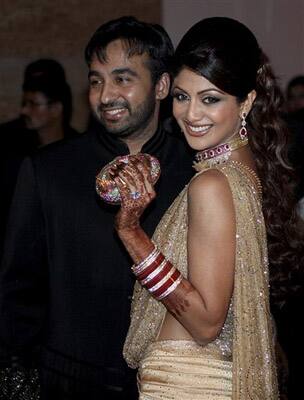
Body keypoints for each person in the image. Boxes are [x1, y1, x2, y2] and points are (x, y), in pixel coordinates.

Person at [0, 16, 194, 399]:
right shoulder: (48, 170)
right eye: (95, 80)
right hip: (66, 382)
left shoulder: (195, 175)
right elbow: (17, 291)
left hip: (169, 382)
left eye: (123, 78)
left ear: (162, 85)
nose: (105, 95)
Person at [109, 17, 303, 399]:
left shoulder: (212, 184)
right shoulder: (245, 170)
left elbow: (205, 322)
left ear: (246, 101)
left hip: (187, 383)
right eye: (182, 96)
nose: (191, 114)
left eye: (210, 98)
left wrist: (133, 235)